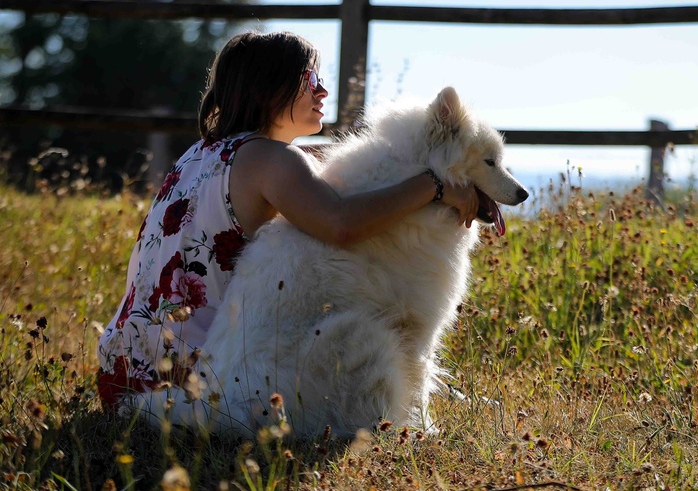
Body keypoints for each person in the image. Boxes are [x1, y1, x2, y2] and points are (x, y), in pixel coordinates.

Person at [96, 31, 480, 408]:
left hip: (125, 371)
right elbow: (341, 225)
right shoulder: (274, 161)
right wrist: (434, 185)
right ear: (269, 87)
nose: (323, 92)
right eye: (310, 79)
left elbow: (329, 165)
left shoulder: (200, 153)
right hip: (196, 381)